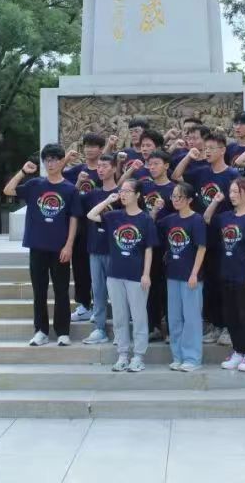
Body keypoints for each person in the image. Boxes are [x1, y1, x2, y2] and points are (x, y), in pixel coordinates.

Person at [3, 144, 81, 347]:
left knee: (61, 291)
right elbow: (8, 190)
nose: (50, 163)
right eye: (47, 160)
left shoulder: (70, 189)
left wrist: (69, 245)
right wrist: (23, 172)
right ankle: (41, 331)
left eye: (54, 159)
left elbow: (74, 218)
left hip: (60, 248)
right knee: (39, 291)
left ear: (61, 161)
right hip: (37, 246)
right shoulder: (35, 185)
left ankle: (63, 332)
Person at [172, 131, 240, 346]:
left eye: (212, 148)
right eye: (206, 148)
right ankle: (215, 324)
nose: (207, 151)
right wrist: (188, 156)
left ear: (223, 150)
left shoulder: (232, 175)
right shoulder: (201, 172)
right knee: (209, 282)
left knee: (226, 281)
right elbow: (177, 176)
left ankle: (229, 327)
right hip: (202, 234)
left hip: (226, 235)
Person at [87, 179, 157, 372]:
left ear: (137, 195)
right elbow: (91, 215)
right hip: (115, 274)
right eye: (121, 191)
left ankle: (139, 356)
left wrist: (146, 274)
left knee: (139, 317)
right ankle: (123, 354)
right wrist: (108, 199)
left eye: (127, 191)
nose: (123, 194)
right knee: (119, 317)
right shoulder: (114, 216)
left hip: (136, 275)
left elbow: (149, 249)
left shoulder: (145, 219)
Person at [205, 178, 245, 372]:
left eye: (236, 191)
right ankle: (238, 350)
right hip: (226, 273)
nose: (232, 195)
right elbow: (207, 218)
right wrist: (215, 201)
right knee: (231, 316)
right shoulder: (225, 217)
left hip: (244, 275)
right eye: (230, 192)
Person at [160, 182, 208, 372]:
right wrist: (155, 210)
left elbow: (202, 248)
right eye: (173, 196)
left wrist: (194, 273)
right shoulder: (170, 220)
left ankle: (192, 358)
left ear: (189, 200)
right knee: (174, 318)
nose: (175, 200)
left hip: (191, 276)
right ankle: (178, 356)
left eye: (179, 196)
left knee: (191, 318)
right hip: (172, 274)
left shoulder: (197, 220)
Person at [64, 133, 105, 324]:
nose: (89, 149)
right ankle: (83, 305)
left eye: (93, 146)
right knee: (80, 266)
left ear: (101, 149)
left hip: (99, 223)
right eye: (87, 146)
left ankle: (100, 305)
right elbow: (61, 186)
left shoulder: (105, 170)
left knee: (100, 268)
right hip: (80, 223)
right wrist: (67, 161)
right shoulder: (77, 170)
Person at [80, 154, 120, 345]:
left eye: (105, 166)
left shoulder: (122, 193)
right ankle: (99, 328)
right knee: (98, 291)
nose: (101, 169)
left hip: (116, 250)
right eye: (99, 166)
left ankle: (121, 330)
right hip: (95, 248)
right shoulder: (92, 194)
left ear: (114, 168)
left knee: (118, 293)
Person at [141, 149, 176, 341]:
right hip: (148, 244)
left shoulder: (175, 189)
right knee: (150, 286)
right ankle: (152, 326)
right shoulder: (144, 188)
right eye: (150, 164)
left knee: (168, 288)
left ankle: (170, 329)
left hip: (170, 245)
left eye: (156, 164)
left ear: (166, 166)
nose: (152, 167)